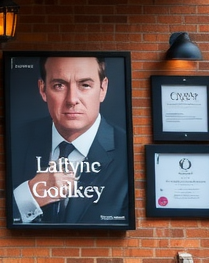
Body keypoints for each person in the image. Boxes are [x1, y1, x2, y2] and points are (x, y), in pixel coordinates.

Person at [11, 55, 128, 225]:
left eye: (85, 85)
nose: (72, 100)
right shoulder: (16, 141)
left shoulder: (127, 151)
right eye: (59, 85)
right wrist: (28, 197)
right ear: (43, 90)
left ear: (103, 89)